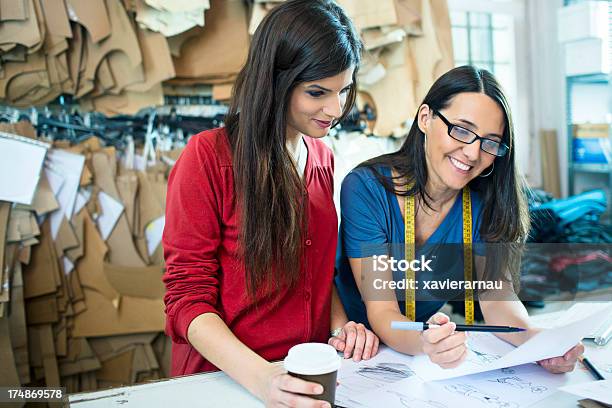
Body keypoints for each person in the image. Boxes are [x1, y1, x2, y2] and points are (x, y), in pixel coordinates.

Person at [162, 1, 379, 407]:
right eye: (317, 92)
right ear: (276, 80)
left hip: (304, 377)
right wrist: (263, 378)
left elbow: (312, 273)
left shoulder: (322, 156)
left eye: (344, 90)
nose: (335, 109)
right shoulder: (207, 158)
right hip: (228, 382)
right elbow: (186, 299)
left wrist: (340, 326)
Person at [335, 65, 583, 373]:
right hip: (349, 343)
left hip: (418, 349)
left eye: (490, 142)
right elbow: (383, 308)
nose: (472, 152)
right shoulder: (367, 188)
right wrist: (427, 342)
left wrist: (536, 341)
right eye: (462, 130)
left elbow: (497, 299)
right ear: (425, 118)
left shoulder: (484, 201)